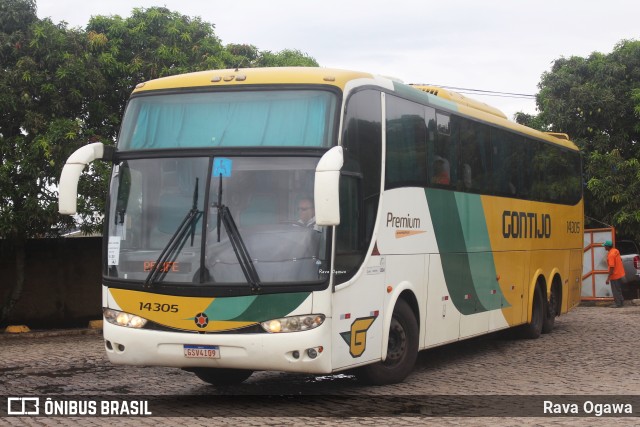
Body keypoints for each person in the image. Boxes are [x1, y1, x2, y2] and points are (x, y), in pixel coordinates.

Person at [604, 240, 625, 308]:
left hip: (614, 275)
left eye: (605, 246)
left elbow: (612, 267)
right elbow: (620, 260)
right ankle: (621, 302)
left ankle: (618, 303)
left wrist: (608, 278)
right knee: (618, 288)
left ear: (608, 246)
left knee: (615, 290)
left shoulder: (611, 255)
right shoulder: (616, 251)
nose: (604, 247)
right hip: (620, 273)